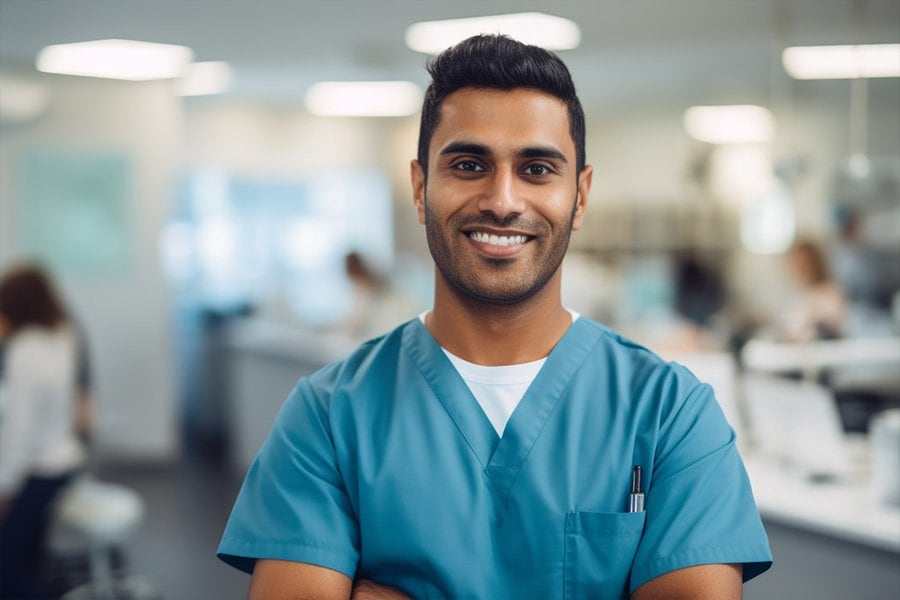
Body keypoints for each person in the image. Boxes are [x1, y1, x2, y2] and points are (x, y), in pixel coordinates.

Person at [218, 35, 772, 599]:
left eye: (536, 169)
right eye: (468, 164)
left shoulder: (671, 415)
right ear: (420, 187)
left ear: (579, 196)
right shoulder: (330, 415)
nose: (503, 200)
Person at [0, 263, 90, 599]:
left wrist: (4, 488)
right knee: (27, 556)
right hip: (64, 462)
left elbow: (20, 430)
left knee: (6, 569)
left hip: (36, 471)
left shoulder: (24, 350)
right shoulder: (64, 335)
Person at [780, 238, 847, 342]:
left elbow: (831, 329)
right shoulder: (800, 295)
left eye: (803, 264)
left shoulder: (829, 292)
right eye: (795, 264)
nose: (798, 269)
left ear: (814, 263)